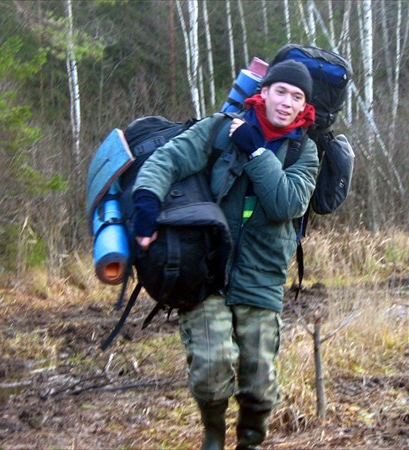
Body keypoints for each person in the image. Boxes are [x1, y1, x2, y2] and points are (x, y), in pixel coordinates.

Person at [131, 59, 318, 450]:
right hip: (207, 268)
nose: (286, 102)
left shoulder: (305, 151)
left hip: (262, 276)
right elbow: (168, 159)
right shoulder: (219, 129)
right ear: (263, 93)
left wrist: (256, 152)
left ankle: (249, 441)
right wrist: (146, 201)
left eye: (297, 97)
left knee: (260, 382)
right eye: (280, 91)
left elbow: (285, 203)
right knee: (212, 367)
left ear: (304, 107)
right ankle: (213, 435)